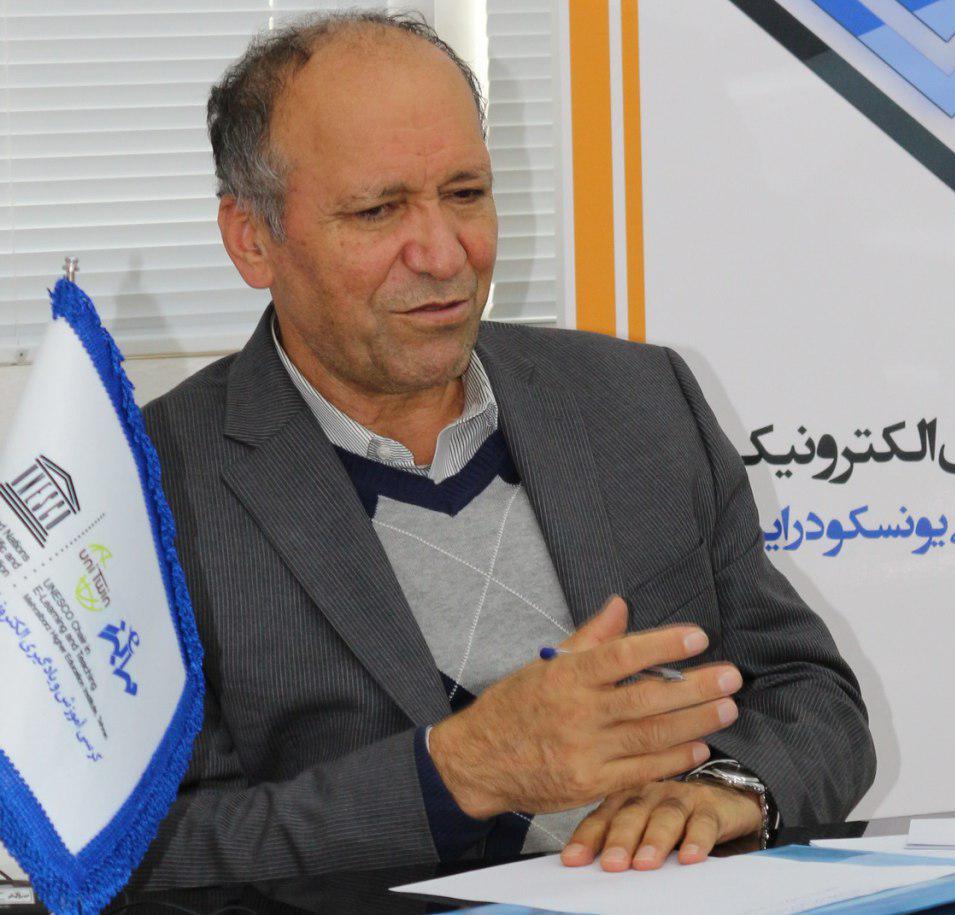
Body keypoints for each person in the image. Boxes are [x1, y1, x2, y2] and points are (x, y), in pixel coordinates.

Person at [135, 9, 874, 888]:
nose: (444, 253)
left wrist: (727, 789)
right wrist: (451, 778)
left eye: (465, 193)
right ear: (252, 239)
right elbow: (149, 853)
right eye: (378, 210)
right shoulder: (153, 490)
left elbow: (812, 697)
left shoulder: (639, 399)